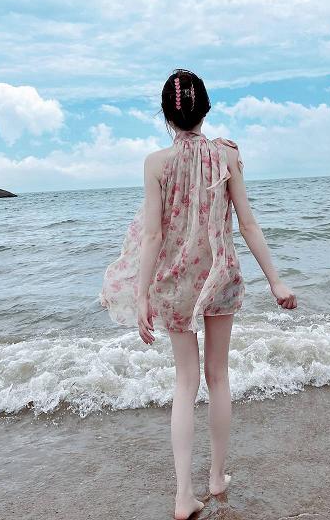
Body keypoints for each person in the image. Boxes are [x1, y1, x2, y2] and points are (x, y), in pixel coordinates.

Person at [99, 68, 297, 520]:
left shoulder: (155, 163)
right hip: (220, 277)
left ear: (166, 116)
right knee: (218, 376)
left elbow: (153, 236)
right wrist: (275, 280)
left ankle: (183, 495)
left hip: (175, 283)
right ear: (206, 109)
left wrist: (142, 295)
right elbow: (247, 224)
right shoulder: (227, 154)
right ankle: (217, 477)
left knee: (185, 383)